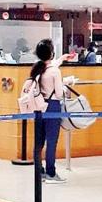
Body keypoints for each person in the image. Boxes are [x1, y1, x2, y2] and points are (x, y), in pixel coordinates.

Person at [29, 39, 70, 183]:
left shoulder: (37, 69)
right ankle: (51, 173)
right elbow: (59, 94)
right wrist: (65, 85)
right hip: (52, 106)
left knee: (39, 141)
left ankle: (38, 172)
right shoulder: (54, 71)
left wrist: (61, 59)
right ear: (51, 53)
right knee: (52, 141)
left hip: (39, 106)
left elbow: (51, 65)